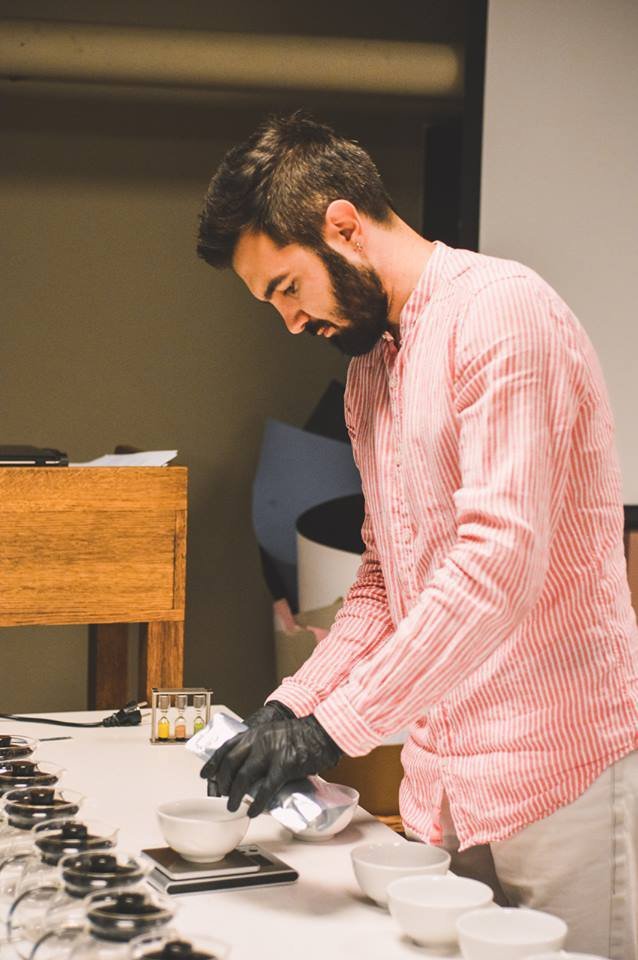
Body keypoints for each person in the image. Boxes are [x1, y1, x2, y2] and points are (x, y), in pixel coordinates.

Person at [196, 112, 638, 958]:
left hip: (560, 773)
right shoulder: (371, 369)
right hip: (447, 777)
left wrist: (333, 729)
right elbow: (384, 579)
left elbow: (494, 567)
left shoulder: (502, 314)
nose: (291, 322)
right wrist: (292, 704)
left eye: (288, 287)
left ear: (342, 225)